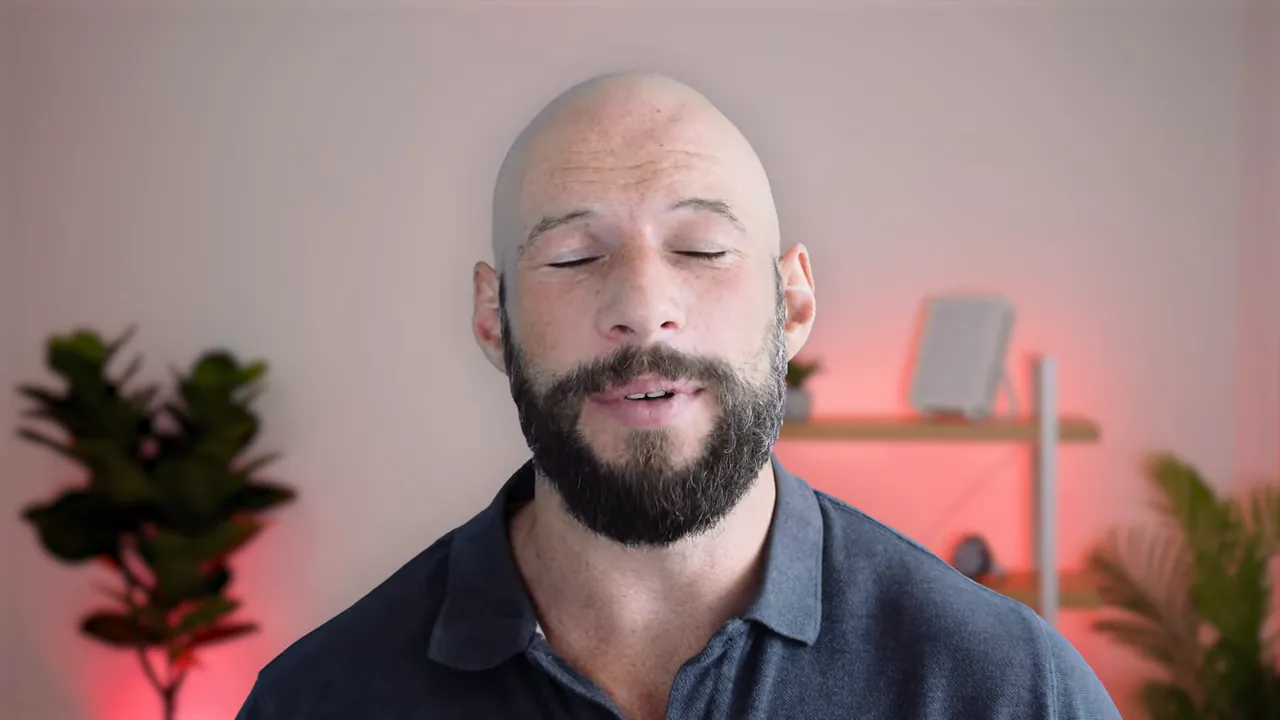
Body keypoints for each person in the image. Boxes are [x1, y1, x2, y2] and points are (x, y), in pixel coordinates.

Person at [235, 71, 1121, 720]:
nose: (643, 310)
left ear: (795, 304)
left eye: (701, 249)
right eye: (574, 257)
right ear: (492, 318)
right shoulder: (318, 700)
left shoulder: (1009, 690)